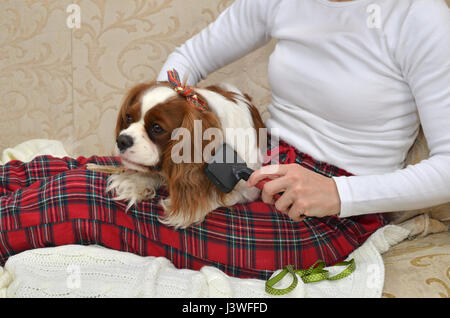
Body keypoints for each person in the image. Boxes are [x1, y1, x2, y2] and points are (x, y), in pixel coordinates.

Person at [0, 0, 447, 279]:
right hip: (253, 160)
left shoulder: (418, 16)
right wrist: (177, 112)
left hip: (327, 210)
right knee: (54, 169)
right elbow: (188, 58)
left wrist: (337, 193)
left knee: (85, 200)